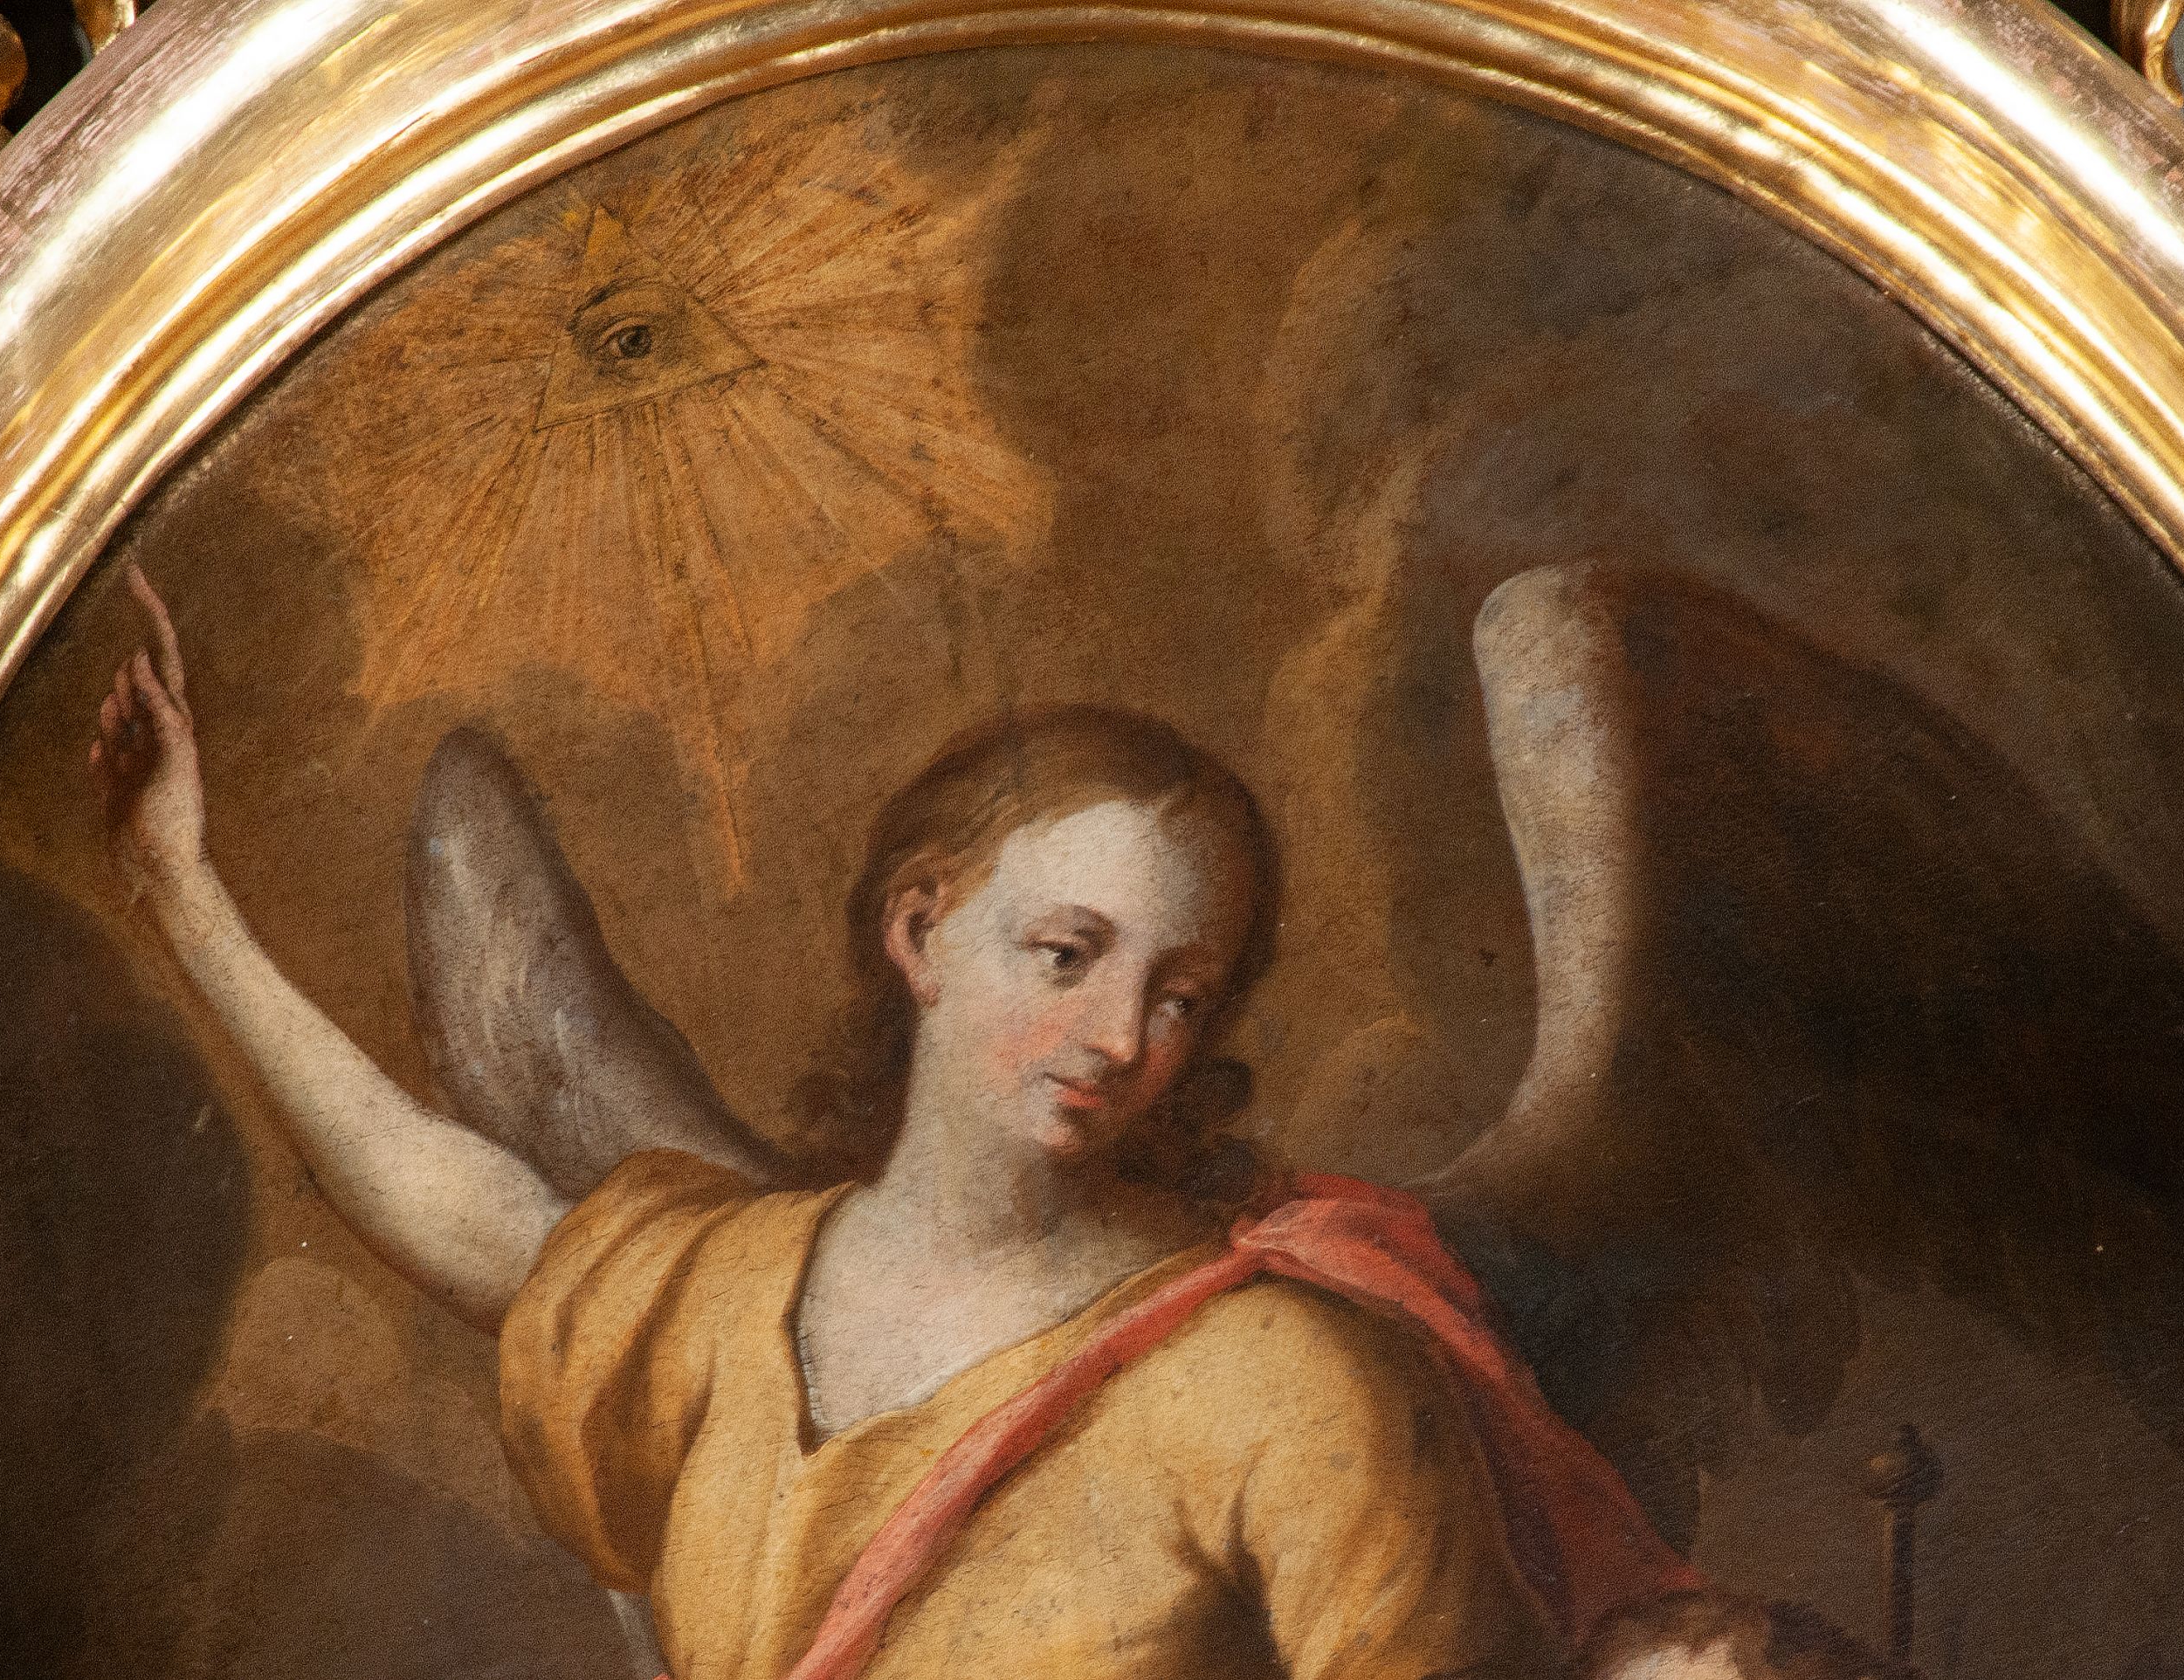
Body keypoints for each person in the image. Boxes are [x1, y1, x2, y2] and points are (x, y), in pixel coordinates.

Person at [90, 562, 1829, 1680]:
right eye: (1066, 955)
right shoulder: (724, 1286)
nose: (1121, 1035)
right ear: (920, 932)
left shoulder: (1292, 1384)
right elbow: (465, 1209)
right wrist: (182, 893)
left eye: (1180, 992)